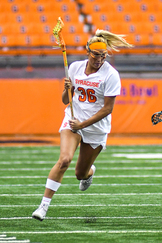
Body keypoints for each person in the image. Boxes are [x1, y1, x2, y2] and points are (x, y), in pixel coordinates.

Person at [32, 29, 133, 221]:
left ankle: (90, 172)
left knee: (80, 174)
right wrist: (67, 90)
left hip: (95, 127)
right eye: (96, 55)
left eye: (103, 56)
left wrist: (83, 124)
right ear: (88, 52)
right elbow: (65, 100)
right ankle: (43, 206)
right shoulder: (75, 68)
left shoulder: (111, 75)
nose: (99, 59)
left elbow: (107, 109)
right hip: (73, 119)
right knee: (64, 160)